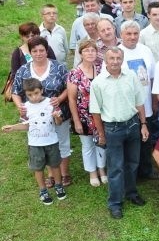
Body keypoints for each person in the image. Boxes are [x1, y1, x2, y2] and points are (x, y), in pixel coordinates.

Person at [89, 47, 149, 219]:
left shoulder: (131, 76)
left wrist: (143, 124)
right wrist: (101, 134)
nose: (115, 61)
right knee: (115, 168)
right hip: (112, 129)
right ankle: (115, 203)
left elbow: (139, 102)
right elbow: (95, 112)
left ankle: (131, 193)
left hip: (132, 125)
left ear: (122, 59)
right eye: (111, 58)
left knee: (132, 163)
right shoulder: (98, 83)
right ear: (105, 61)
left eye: (118, 58)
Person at [12, 37, 71, 187]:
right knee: (42, 142)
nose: (38, 53)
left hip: (58, 112)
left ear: (46, 50)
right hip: (35, 116)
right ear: (30, 52)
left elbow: (69, 87)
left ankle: (64, 173)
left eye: (42, 50)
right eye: (35, 51)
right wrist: (20, 106)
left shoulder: (58, 67)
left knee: (62, 142)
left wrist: (60, 98)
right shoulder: (23, 70)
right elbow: (15, 92)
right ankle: (51, 174)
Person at [3, 78, 67, 205]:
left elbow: (58, 123)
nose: (33, 97)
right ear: (26, 94)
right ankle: (43, 190)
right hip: (35, 145)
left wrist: (57, 117)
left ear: (42, 90)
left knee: (55, 165)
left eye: (36, 93)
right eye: (29, 95)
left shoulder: (51, 103)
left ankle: (59, 186)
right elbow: (27, 126)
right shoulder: (25, 108)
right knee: (38, 168)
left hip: (51, 142)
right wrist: (13, 127)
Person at [67, 39, 106, 187]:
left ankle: (102, 169)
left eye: (93, 50)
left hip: (101, 115)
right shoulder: (75, 73)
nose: (90, 53)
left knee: (102, 142)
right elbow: (71, 99)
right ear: (81, 53)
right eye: (86, 50)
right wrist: (76, 121)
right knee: (88, 144)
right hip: (83, 115)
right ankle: (92, 172)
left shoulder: (102, 68)